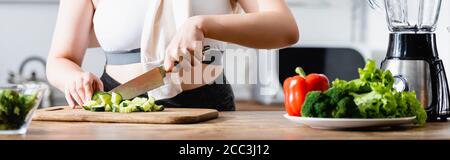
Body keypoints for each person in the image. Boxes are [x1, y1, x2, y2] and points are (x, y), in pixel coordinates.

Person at [46, 0, 299, 111]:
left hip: (207, 108)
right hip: (117, 106)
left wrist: (202, 24)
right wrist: (74, 78)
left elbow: (285, 28)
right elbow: (60, 59)